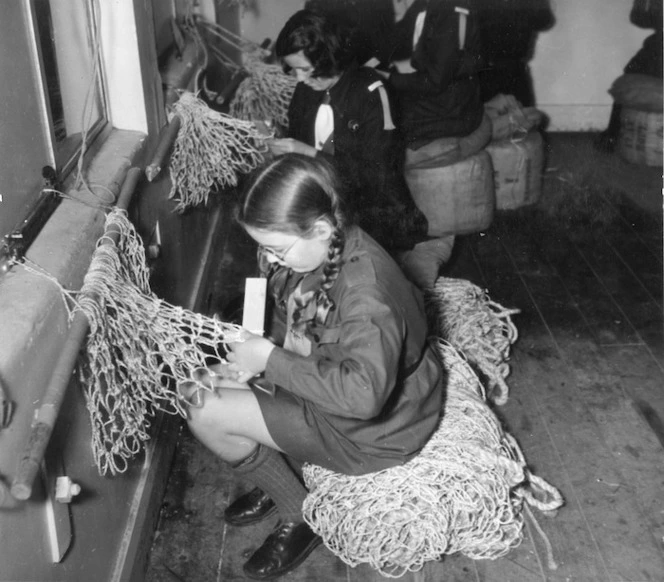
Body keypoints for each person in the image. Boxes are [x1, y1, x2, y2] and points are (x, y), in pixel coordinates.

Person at [182, 154, 444, 580]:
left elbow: (363, 398)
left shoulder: (366, 294)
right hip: (332, 385)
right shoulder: (329, 248)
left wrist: (268, 359)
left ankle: (301, 514)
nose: (268, 259)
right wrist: (264, 357)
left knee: (200, 409)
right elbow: (305, 318)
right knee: (201, 384)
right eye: (262, 247)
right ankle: (279, 474)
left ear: (320, 228)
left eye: (276, 248)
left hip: (376, 431)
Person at [268, 8, 453, 290]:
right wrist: (278, 140)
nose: (299, 78)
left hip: (370, 203)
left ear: (328, 59)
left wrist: (308, 154)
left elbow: (375, 172)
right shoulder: (306, 89)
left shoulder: (371, 92)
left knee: (359, 274)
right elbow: (300, 138)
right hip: (326, 196)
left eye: (305, 69)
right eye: (294, 70)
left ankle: (417, 258)